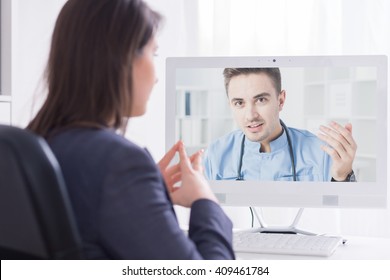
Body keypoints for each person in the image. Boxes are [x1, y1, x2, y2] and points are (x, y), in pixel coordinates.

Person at [27, 0, 234, 260]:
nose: (157, 76)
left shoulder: (34, 144)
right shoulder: (118, 163)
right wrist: (205, 201)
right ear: (123, 58)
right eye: (153, 53)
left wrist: (143, 194)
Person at [204, 68, 357, 182]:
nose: (251, 115)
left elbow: (343, 217)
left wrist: (343, 177)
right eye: (239, 103)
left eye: (261, 100)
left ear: (281, 100)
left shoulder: (321, 152)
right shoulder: (215, 155)